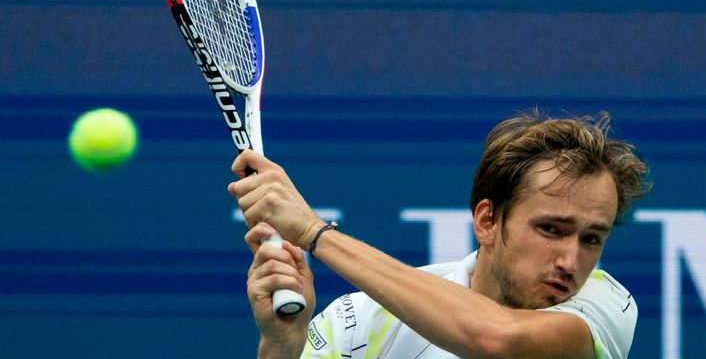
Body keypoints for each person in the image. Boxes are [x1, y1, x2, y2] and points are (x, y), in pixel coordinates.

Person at [228, 111, 651, 359]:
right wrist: (282, 346)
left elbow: (494, 337)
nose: (570, 262)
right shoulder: (363, 323)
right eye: (550, 230)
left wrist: (314, 232)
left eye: (592, 238)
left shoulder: (606, 307)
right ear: (487, 221)